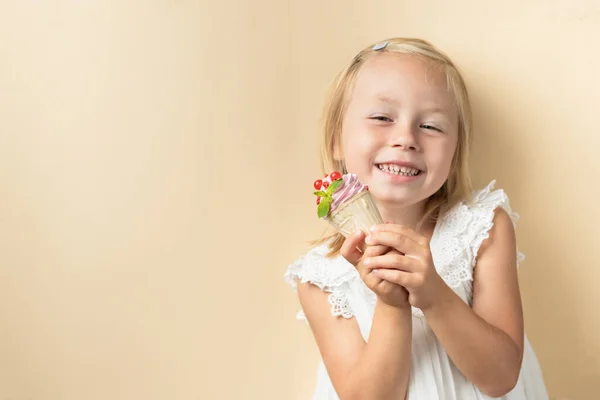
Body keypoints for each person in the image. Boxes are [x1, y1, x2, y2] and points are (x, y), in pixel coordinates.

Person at [284, 37, 549, 399]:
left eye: (432, 126)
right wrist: (392, 303)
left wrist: (434, 295)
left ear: (455, 151)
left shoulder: (482, 228)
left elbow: (501, 377)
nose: (406, 138)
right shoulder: (321, 276)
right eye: (381, 118)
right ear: (336, 139)